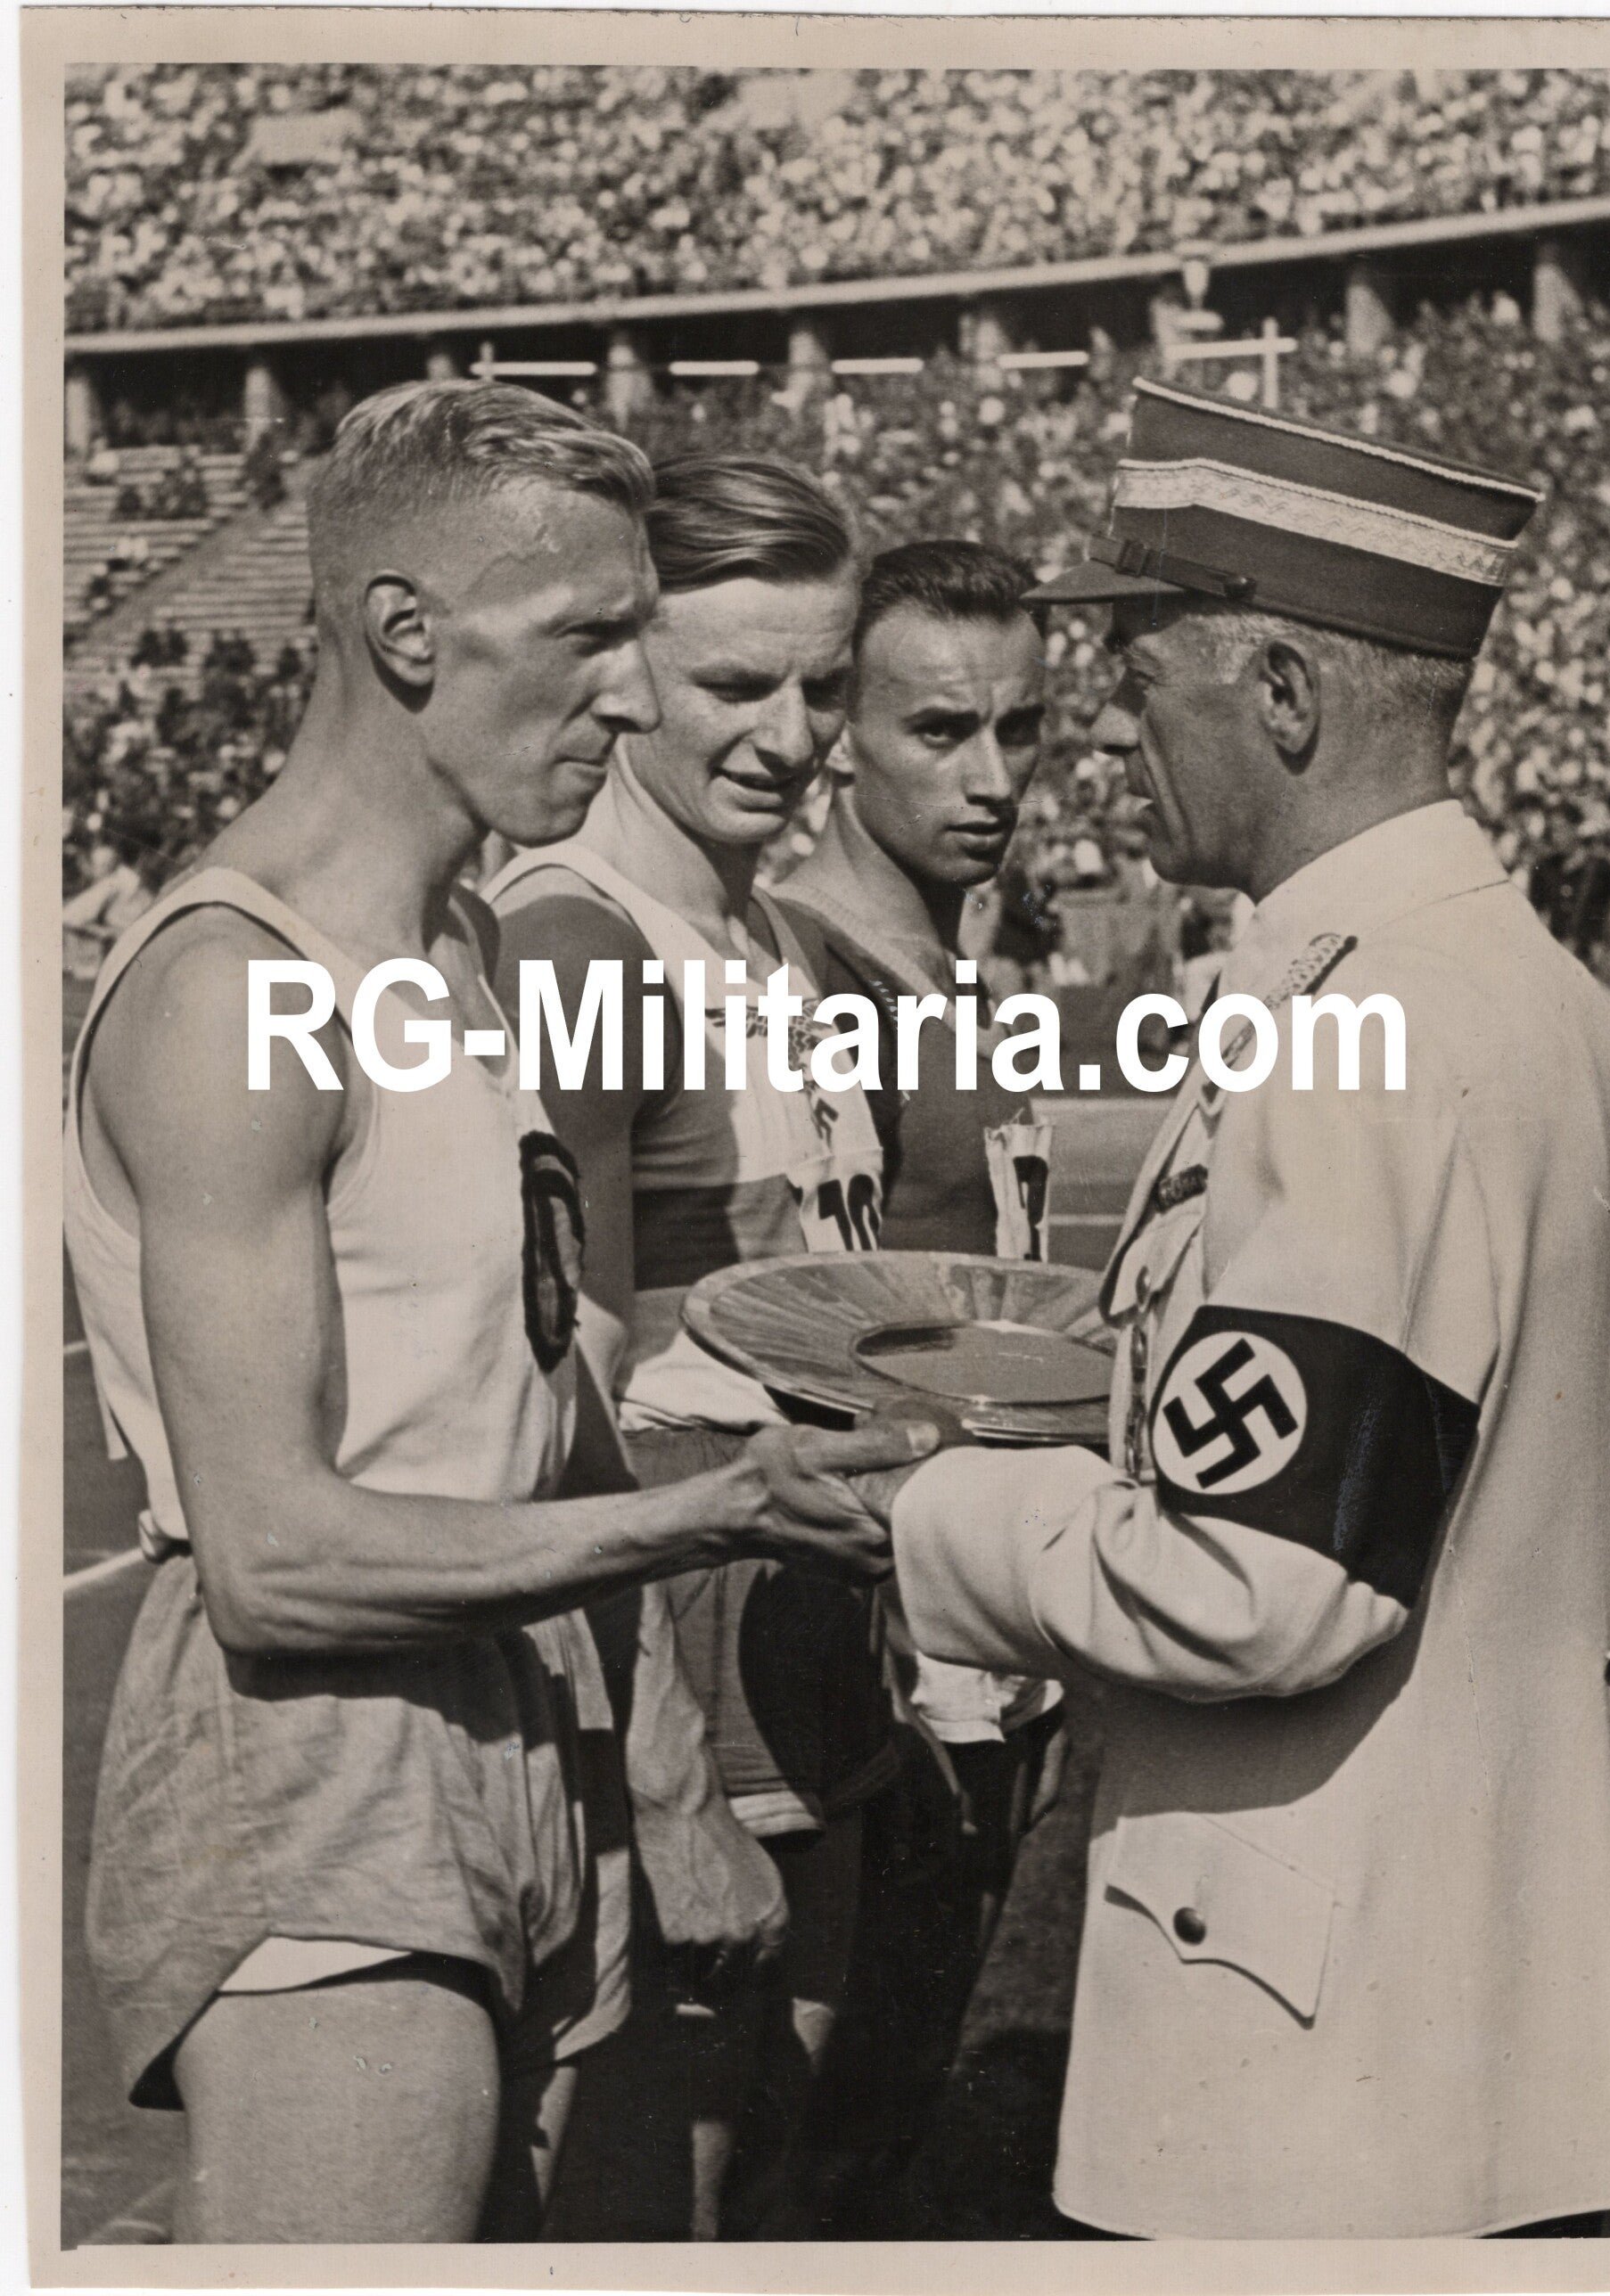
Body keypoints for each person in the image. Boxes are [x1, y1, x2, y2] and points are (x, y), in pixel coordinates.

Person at [63, 382, 933, 2245]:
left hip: (536, 1709)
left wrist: (649, 1747)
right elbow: (273, 1560)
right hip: (325, 1745)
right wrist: (693, 1517)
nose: (631, 697)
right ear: (403, 637)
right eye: (590, 639)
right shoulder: (235, 989)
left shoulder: (456, 944)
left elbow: (533, 1389)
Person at [870, 380, 1610, 2237]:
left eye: (1144, 687)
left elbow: (1262, 1576)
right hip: (1485, 1986)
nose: (1117, 746)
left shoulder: (1368, 1038)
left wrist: (929, 1515)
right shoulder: (1530, 997)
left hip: (1306, 2020)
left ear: (1280, 693)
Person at [489, 453, 895, 2239]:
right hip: (678, 1662)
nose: (796, 731)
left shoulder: (781, 936)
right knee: (681, 2209)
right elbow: (548, 1381)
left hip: (818, 1643)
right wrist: (663, 1780)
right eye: (738, 683)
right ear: (631, 667)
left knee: (784, 2180)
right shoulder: (580, 938)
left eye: (821, 682)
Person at [776, 538, 1072, 2218]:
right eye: (939, 731)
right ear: (843, 736)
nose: (991, 778)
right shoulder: (816, 980)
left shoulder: (964, 980)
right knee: (860, 2152)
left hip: (1001, 1642)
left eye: (1020, 731)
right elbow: (826, 1366)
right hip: (904, 1672)